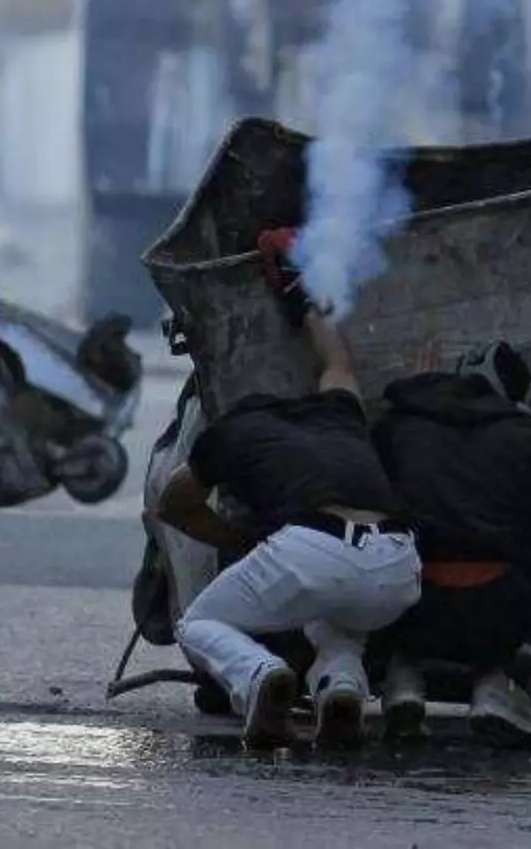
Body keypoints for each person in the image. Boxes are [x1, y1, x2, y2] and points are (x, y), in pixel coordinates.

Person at [157, 228, 421, 750]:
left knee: (200, 622)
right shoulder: (339, 414)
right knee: (337, 619)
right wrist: (306, 292)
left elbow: (173, 503)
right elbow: (337, 362)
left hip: (314, 549)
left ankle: (261, 676)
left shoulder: (233, 432)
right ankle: (340, 688)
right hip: (397, 563)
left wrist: (238, 540)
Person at [372, 340, 531, 749]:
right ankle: (494, 689)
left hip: (407, 606)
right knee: (524, 591)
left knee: (386, 566)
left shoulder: (396, 426)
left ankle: (402, 682)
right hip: (495, 611)